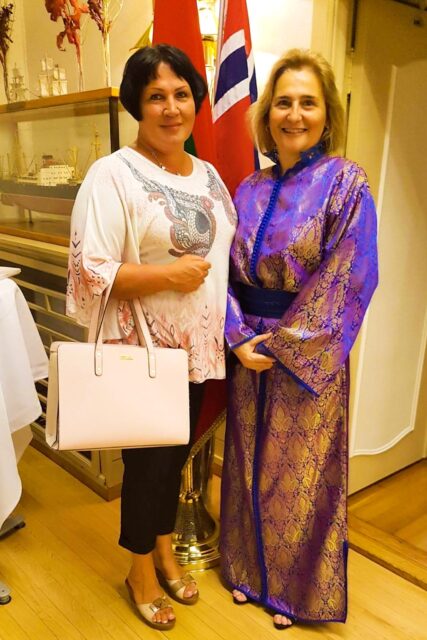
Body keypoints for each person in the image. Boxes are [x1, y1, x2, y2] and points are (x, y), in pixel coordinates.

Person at [66, 44, 236, 631]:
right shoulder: (113, 173)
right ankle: (139, 570)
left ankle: (164, 550)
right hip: (144, 352)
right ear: (137, 104)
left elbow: (223, 255)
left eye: (181, 94)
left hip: (196, 352)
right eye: (156, 96)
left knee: (174, 459)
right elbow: (89, 269)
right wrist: (167, 276)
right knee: (148, 467)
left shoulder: (209, 175)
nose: (171, 108)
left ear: (196, 100)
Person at [220, 48, 378, 629]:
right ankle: (245, 570)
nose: (294, 114)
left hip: (306, 353)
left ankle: (290, 591)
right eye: (283, 102)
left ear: (327, 113)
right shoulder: (247, 188)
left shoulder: (346, 182)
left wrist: (283, 346)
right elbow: (221, 273)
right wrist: (238, 336)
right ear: (267, 114)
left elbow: (352, 273)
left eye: (307, 102)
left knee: (298, 475)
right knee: (246, 460)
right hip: (247, 349)